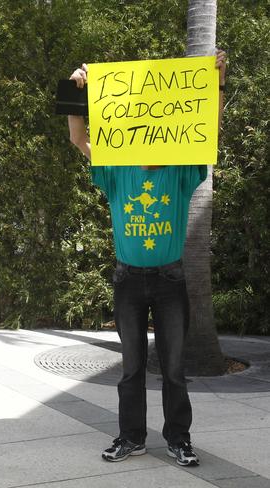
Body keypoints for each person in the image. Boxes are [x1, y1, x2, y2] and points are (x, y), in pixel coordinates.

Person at [67, 50, 227, 466]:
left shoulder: (180, 167)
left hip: (171, 280)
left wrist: (218, 84)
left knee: (174, 369)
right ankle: (131, 437)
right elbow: (77, 138)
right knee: (132, 368)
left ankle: (179, 438)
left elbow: (208, 134)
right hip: (129, 281)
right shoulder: (117, 168)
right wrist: (75, 92)